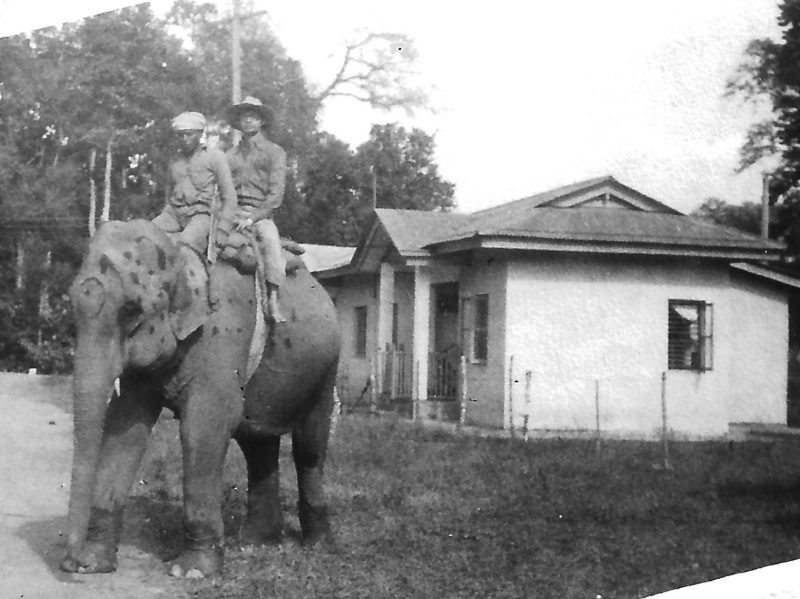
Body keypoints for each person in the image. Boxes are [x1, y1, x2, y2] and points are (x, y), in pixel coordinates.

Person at [226, 96, 287, 322]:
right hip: (230, 212)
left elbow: (275, 195)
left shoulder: (274, 152)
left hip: (259, 214)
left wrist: (252, 218)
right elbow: (220, 189)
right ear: (239, 122)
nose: (248, 121)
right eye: (244, 116)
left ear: (261, 121)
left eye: (253, 116)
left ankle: (272, 298)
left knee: (271, 242)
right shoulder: (229, 155)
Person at [153, 111, 237, 263]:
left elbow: (229, 196)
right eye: (180, 135)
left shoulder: (215, 157)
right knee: (145, 235)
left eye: (189, 134)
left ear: (200, 134)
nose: (185, 139)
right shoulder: (174, 161)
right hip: (174, 214)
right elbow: (169, 195)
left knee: (184, 246)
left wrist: (223, 229)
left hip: (201, 215)